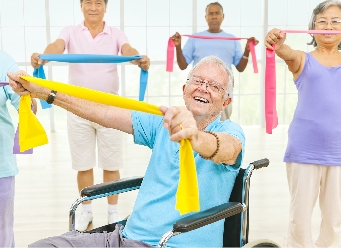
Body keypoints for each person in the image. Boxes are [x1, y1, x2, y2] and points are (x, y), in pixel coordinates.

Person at [10, 55, 245, 247]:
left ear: (226, 102)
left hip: (169, 243)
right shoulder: (162, 123)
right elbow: (104, 112)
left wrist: (194, 136)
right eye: (198, 81)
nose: (203, 89)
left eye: (214, 86)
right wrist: (45, 92)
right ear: (185, 89)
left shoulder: (230, 131)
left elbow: (227, 149)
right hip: (123, 238)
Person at [31, 0, 151, 231]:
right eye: (88, 2)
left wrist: (137, 58)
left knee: (111, 163)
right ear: (81, 5)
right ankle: (86, 211)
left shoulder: (115, 34)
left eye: (98, 2)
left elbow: (128, 50)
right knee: (83, 164)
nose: (93, 7)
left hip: (111, 109)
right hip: (77, 108)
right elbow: (56, 46)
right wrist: (44, 56)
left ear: (105, 6)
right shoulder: (70, 32)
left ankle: (113, 212)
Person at [265, 0, 341, 247]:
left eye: (336, 21)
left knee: (334, 219)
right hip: (304, 149)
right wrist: (277, 43)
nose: (328, 26)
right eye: (322, 21)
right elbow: (286, 52)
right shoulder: (302, 59)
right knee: (300, 219)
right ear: (312, 27)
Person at [171, 1, 259, 121]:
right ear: (205, 17)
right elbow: (182, 65)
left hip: (222, 95)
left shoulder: (232, 39)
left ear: (223, 16)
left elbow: (240, 68)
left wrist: (247, 50)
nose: (213, 16)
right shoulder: (194, 38)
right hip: (199, 94)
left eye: (217, 13)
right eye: (210, 13)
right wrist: (177, 46)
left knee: (221, 132)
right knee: (196, 131)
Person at [0, 50, 38, 247]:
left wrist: (26, 93)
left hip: (0, 164)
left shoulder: (3, 61)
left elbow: (29, 110)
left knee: (2, 230)